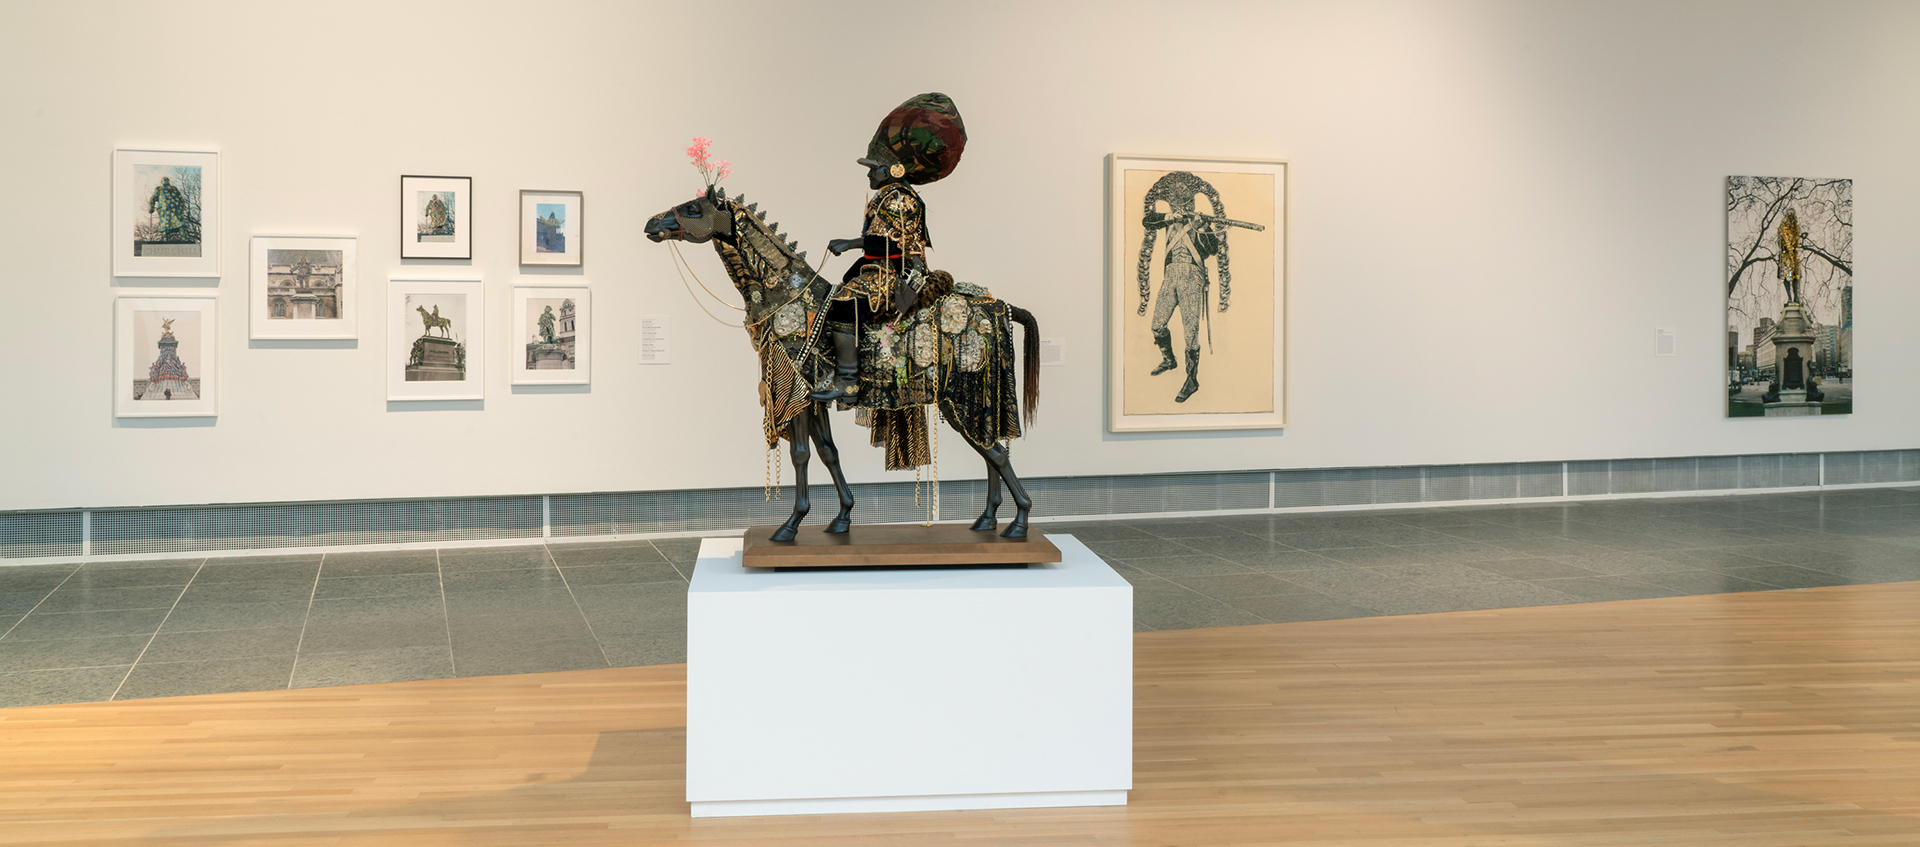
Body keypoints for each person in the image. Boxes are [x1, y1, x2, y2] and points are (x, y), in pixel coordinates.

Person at [809, 93, 967, 402]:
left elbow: (887, 243)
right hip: (878, 269)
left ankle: (848, 381)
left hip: (896, 274)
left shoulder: (899, 197)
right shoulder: (886, 196)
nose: (870, 173)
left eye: (875, 168)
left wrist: (850, 243)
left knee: (843, 303)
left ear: (893, 170)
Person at [1137, 171, 1232, 403]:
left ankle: (1192, 379)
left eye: (1185, 203)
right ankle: (1169, 360)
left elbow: (1211, 250)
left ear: (1192, 202)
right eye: (1177, 204)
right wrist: (1170, 217)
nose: (1182, 206)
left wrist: (1203, 228)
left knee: (1190, 333)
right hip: (1170, 276)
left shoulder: (1200, 222)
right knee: (1157, 324)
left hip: (1192, 276)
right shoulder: (1167, 220)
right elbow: (1148, 221)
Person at [146, 175, 190, 242]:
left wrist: (182, 207)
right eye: (164, 180)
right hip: (165, 212)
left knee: (181, 225)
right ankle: (166, 241)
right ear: (162, 182)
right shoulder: (159, 190)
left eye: (167, 180)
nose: (166, 181)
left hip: (176, 211)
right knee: (166, 227)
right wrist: (151, 208)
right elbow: (152, 198)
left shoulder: (174, 189)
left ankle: (185, 240)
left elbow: (181, 198)